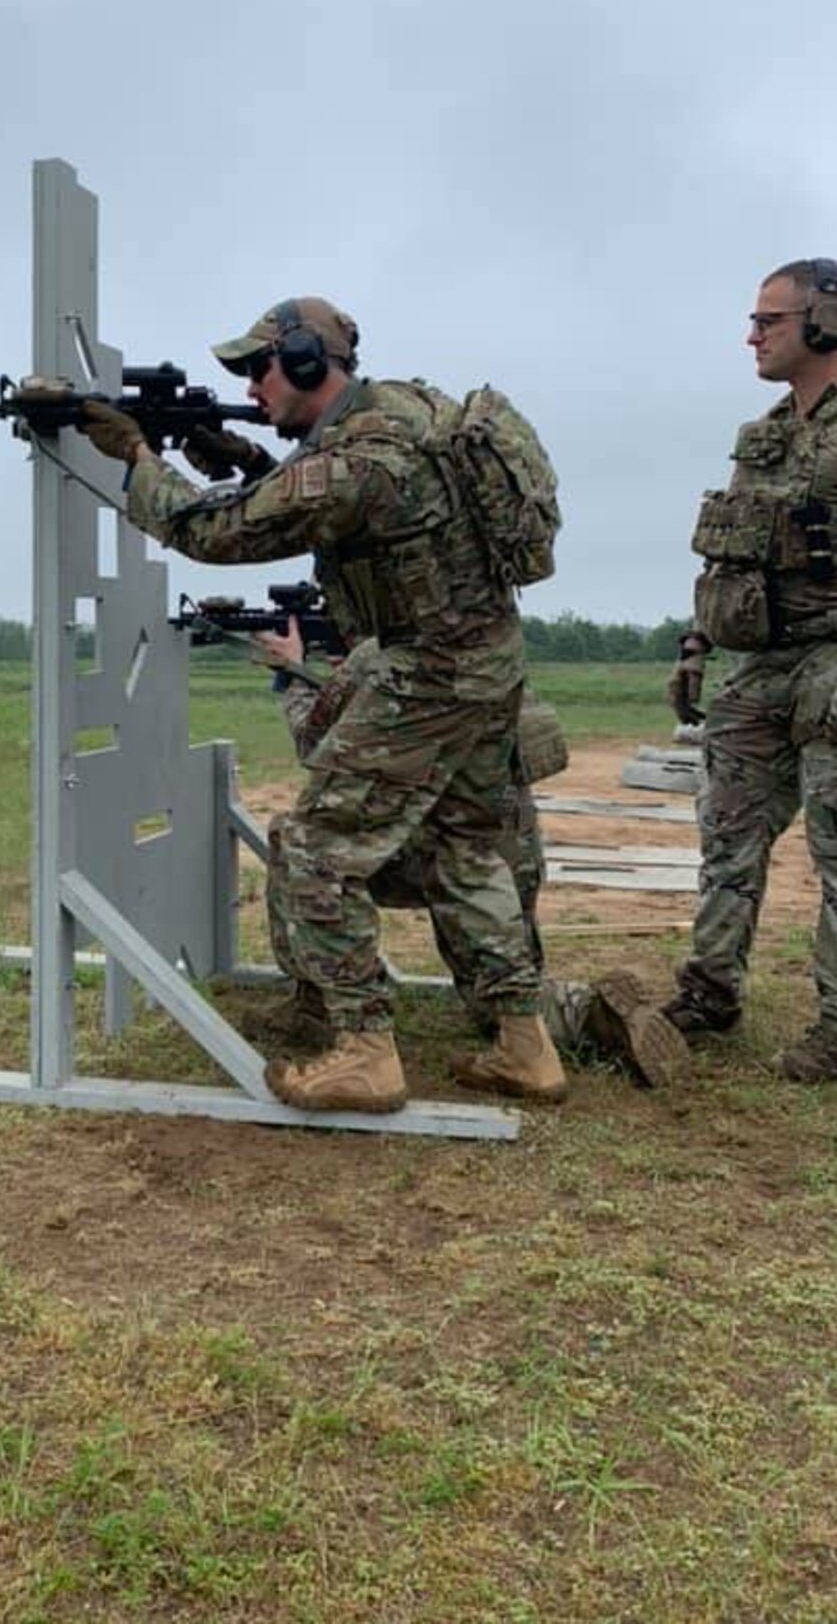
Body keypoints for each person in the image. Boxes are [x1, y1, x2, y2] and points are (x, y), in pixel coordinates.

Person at [78, 297, 563, 1112]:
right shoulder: (409, 410)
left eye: (258, 369)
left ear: (308, 362)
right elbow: (318, 494)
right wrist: (235, 452)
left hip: (428, 671)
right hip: (486, 662)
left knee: (316, 847)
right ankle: (524, 1042)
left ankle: (366, 1048)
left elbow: (218, 535)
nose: (251, 386)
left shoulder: (358, 462)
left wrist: (137, 459)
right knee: (466, 850)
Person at [663, 259, 837, 1083]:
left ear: (823, 323)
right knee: (727, 836)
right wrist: (698, 645)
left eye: (769, 321)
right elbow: (732, 549)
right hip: (762, 665)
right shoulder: (769, 434)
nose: (751, 335)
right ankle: (709, 993)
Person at [255, 626, 690, 1091]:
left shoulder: (386, 658)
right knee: (502, 1001)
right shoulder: (491, 652)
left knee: (300, 844)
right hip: (504, 856)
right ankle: (591, 1013)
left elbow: (315, 743)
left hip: (436, 855)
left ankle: (315, 1002)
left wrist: (294, 672)